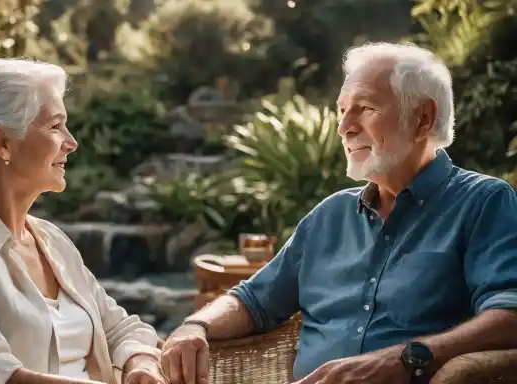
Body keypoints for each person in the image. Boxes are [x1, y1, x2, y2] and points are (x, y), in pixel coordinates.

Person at [161, 42, 517, 384]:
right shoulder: (329, 215)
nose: (344, 126)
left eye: (365, 108)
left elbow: (510, 316)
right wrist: (195, 327)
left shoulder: (483, 202)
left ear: (423, 119)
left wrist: (404, 360)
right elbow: (253, 301)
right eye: (341, 109)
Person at [0, 58, 166, 384]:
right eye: (55, 126)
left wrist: (142, 364)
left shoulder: (50, 239)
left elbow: (122, 328)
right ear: (3, 143)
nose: (72, 142)